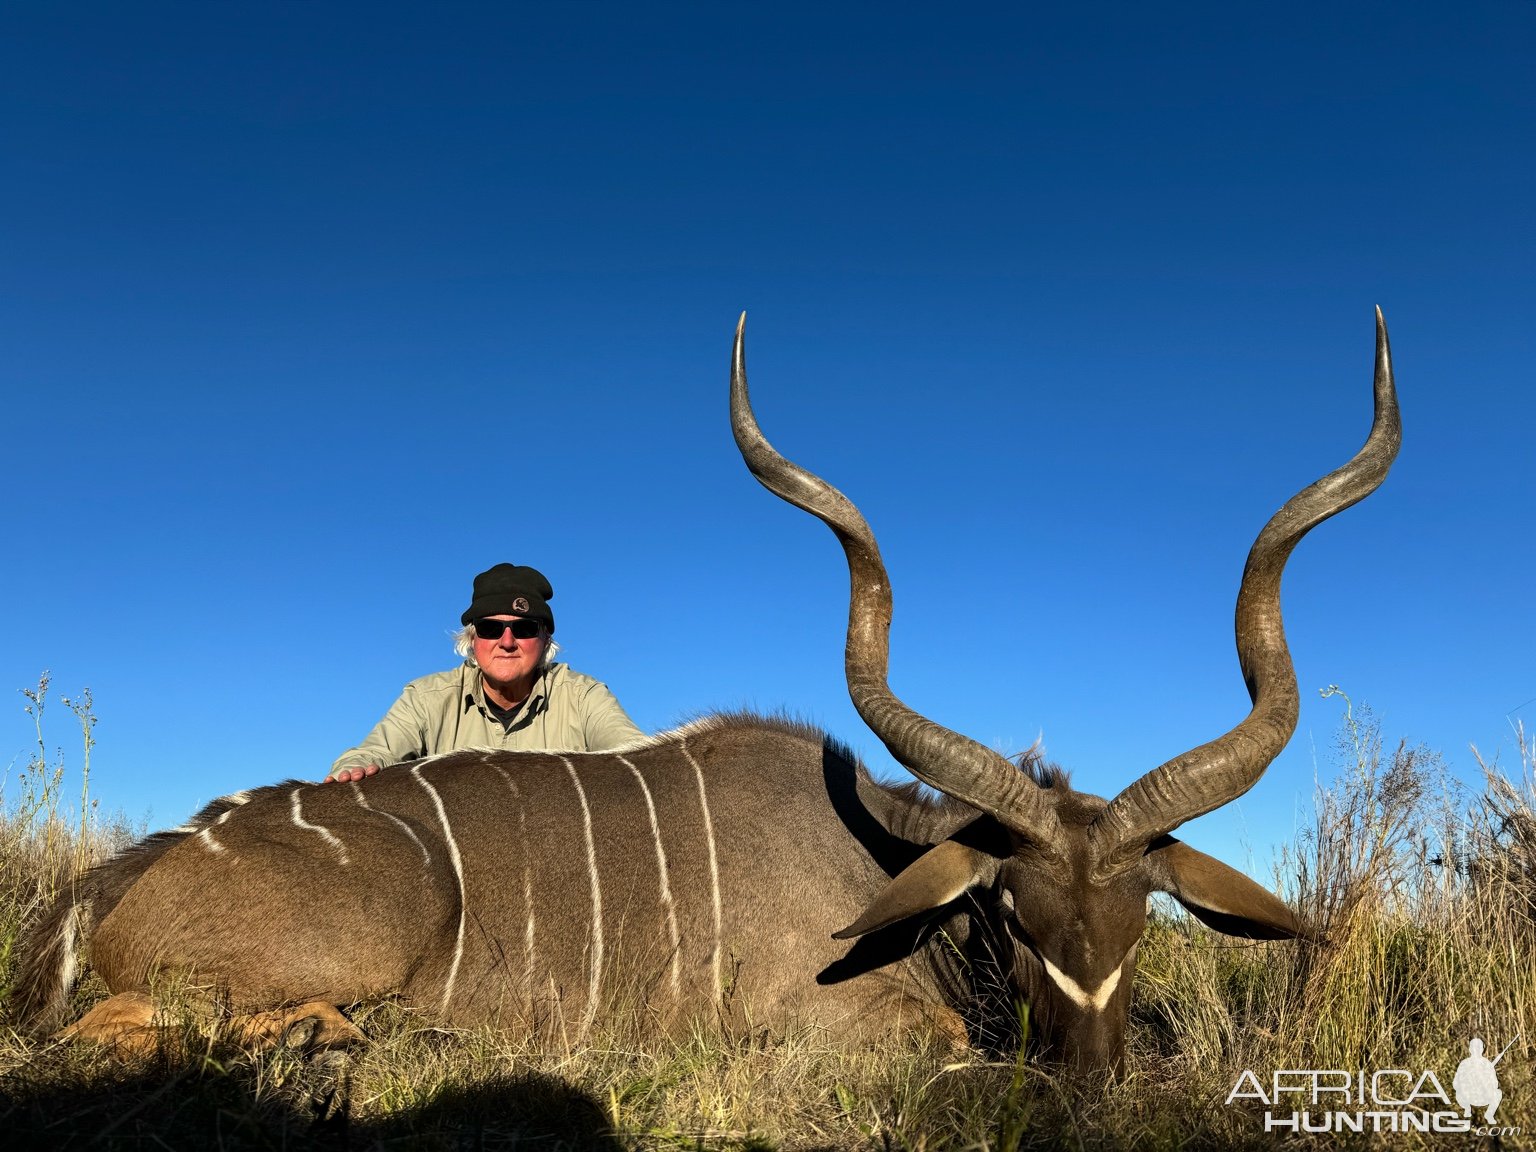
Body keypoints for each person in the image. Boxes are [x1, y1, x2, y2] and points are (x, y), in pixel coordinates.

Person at [327, 563, 644, 782]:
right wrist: (354, 768)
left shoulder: (583, 697)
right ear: (472, 638)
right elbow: (375, 752)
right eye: (491, 628)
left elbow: (638, 759)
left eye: (524, 629)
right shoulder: (426, 698)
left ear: (546, 639)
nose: (507, 642)